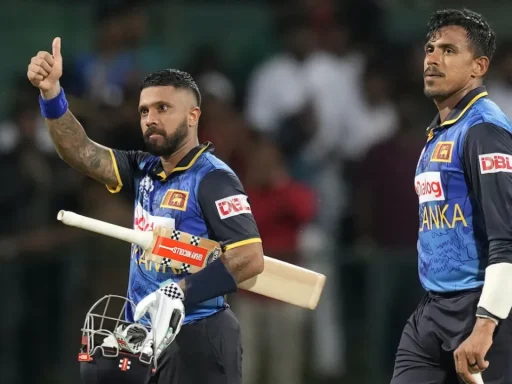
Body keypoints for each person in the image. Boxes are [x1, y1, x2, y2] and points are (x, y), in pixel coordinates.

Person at [27, 37, 264, 384]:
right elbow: (78, 151)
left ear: (193, 115)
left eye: (163, 108)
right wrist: (51, 94)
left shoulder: (213, 179)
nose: (150, 119)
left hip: (200, 336)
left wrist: (181, 290)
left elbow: (250, 259)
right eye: (144, 110)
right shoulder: (142, 169)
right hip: (146, 339)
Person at [391, 8, 512, 384]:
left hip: (482, 311)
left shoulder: (484, 130)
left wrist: (485, 325)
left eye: (448, 50)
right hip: (433, 311)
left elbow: (507, 237)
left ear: (478, 66)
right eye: (429, 48)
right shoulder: (440, 131)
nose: (432, 58)